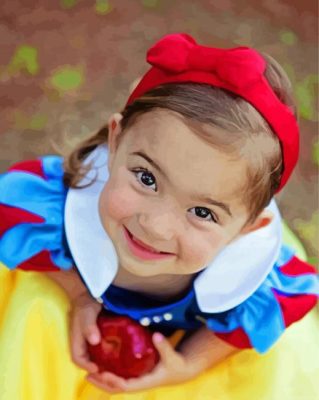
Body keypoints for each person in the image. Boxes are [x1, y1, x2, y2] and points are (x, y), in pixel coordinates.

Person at [0, 33, 318, 399]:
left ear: (248, 228)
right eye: (147, 178)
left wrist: (191, 363)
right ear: (115, 140)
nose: (155, 226)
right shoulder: (56, 208)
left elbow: (259, 317)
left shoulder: (248, 273)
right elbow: (9, 209)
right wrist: (78, 295)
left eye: (202, 212)